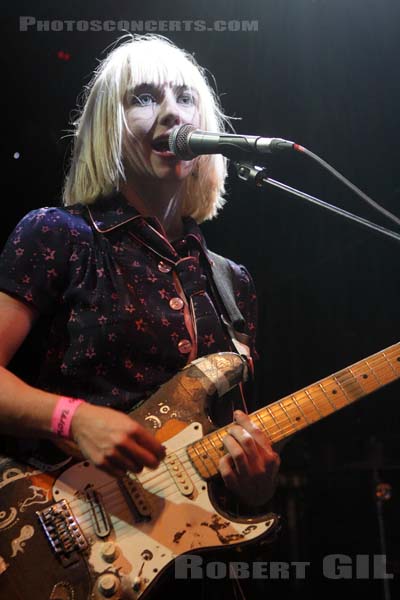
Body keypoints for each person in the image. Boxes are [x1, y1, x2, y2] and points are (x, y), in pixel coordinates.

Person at [0, 34, 280, 597]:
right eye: (145, 97)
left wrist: (254, 486)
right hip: (56, 543)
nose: (172, 111)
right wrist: (71, 418)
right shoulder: (57, 236)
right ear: (109, 123)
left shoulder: (232, 283)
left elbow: (228, 447)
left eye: (184, 98)